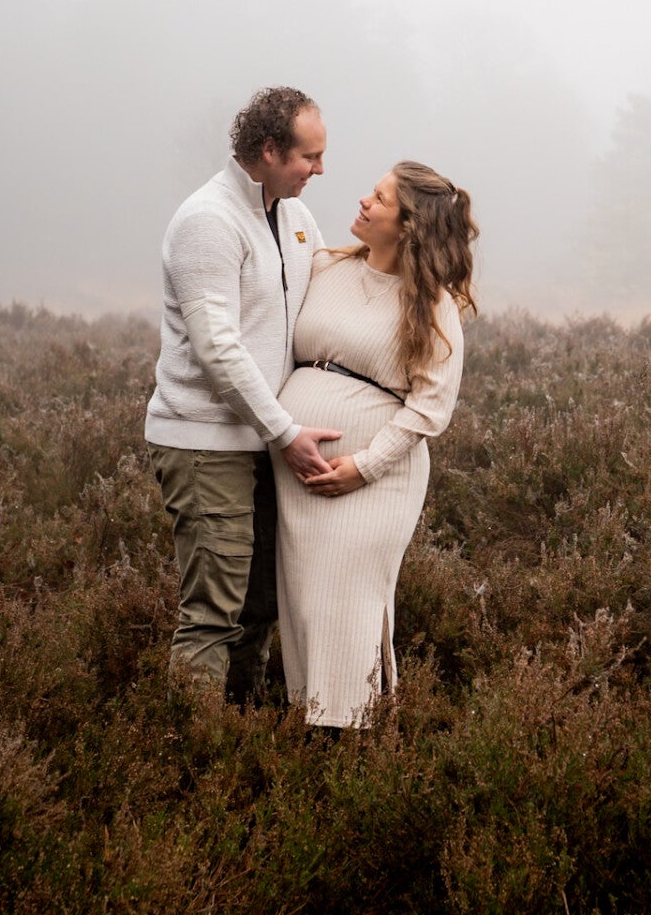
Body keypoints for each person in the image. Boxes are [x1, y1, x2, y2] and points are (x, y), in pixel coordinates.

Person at [144, 86, 344, 702]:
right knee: (214, 612)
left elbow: (332, 298)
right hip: (207, 444)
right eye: (309, 156)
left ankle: (242, 729)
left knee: (260, 603)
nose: (320, 169)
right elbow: (217, 349)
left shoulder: (297, 218)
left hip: (266, 444)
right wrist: (285, 431)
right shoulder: (207, 221)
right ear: (270, 149)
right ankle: (196, 746)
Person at [272, 160, 478, 730]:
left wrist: (362, 467)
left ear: (410, 226)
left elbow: (431, 408)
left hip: (376, 483)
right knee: (306, 603)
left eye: (381, 199)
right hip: (298, 473)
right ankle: (311, 725)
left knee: (349, 604)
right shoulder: (327, 267)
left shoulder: (431, 305)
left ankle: (351, 734)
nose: (364, 201)